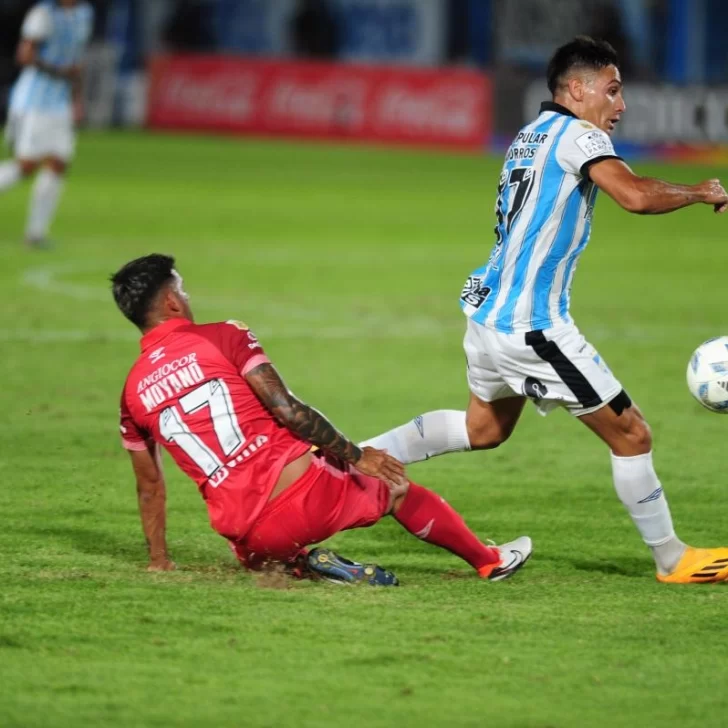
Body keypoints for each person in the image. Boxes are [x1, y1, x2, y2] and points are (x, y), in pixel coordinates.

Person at [361, 36, 728, 585]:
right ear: (576, 90)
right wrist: (699, 191)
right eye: (612, 89)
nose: (620, 105)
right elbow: (634, 195)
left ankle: (356, 454)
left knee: (482, 428)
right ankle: (673, 559)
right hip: (531, 326)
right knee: (632, 435)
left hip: (487, 312)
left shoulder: (529, 135)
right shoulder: (578, 136)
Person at [111, 254, 532, 586]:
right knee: (395, 487)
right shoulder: (222, 336)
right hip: (298, 500)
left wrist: (159, 561)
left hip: (248, 542)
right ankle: (489, 562)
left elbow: (149, 486)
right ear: (171, 301)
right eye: (181, 289)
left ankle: (308, 564)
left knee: (269, 545)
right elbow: (288, 410)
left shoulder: (131, 391)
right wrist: (356, 456)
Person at [0, 0, 94, 249]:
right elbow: (26, 55)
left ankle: (36, 234)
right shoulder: (43, 14)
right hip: (34, 101)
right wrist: (60, 72)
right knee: (26, 166)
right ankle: (35, 233)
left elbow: (78, 60)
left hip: (60, 104)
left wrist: (76, 99)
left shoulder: (84, 14)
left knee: (58, 163)